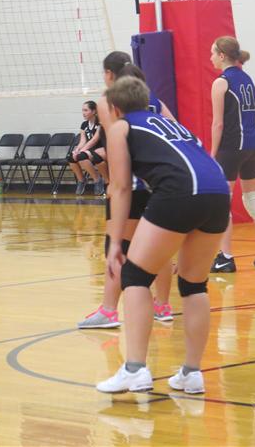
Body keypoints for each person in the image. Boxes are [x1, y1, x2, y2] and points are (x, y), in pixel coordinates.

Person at [96, 76, 230, 395]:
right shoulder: (171, 124)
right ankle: (191, 373)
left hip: (180, 192)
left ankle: (134, 369)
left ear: (114, 108)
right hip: (218, 192)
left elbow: (120, 187)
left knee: (135, 275)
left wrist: (115, 242)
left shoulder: (120, 127)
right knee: (193, 284)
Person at [78, 57, 176, 330]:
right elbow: (173, 128)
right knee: (161, 248)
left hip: (131, 183)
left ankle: (109, 311)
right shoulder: (155, 100)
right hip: (158, 183)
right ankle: (163, 305)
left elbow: (117, 143)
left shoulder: (110, 102)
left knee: (117, 246)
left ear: (111, 75)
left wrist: (113, 181)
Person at [208, 36, 255, 272]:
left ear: (222, 55)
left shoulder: (221, 82)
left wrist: (212, 154)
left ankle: (226, 257)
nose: (210, 58)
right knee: (253, 198)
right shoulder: (247, 78)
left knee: (222, 202)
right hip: (252, 145)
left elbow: (218, 124)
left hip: (231, 147)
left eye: (212, 53)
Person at [67, 100, 107, 196]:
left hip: (100, 150)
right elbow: (82, 141)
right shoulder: (84, 125)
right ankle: (81, 180)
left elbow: (94, 140)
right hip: (88, 150)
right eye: (82, 110)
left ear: (94, 111)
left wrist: (81, 151)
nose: (83, 113)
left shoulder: (100, 123)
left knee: (81, 156)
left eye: (86, 110)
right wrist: (77, 150)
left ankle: (97, 180)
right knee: (70, 157)